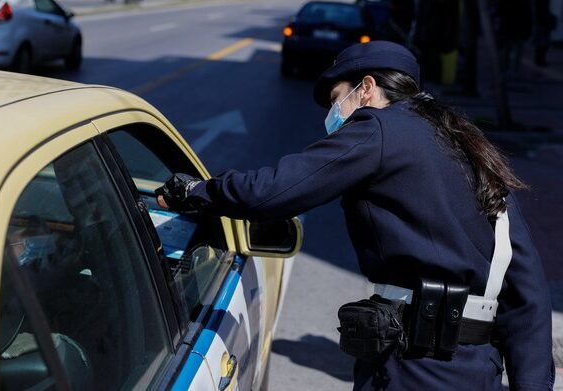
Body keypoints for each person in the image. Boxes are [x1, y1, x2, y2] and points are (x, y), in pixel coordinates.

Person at [155, 41, 554, 389]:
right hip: (477, 369)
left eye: (335, 98)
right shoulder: (466, 144)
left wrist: (196, 191)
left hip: (415, 366)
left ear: (366, 88)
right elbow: (527, 287)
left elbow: (277, 190)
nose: (333, 113)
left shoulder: (378, 128)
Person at [533, 0, 557, 67]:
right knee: (543, 45)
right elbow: (545, 17)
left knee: (540, 45)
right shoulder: (543, 8)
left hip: (540, 28)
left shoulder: (537, 8)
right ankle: (540, 60)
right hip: (543, 28)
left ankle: (539, 60)